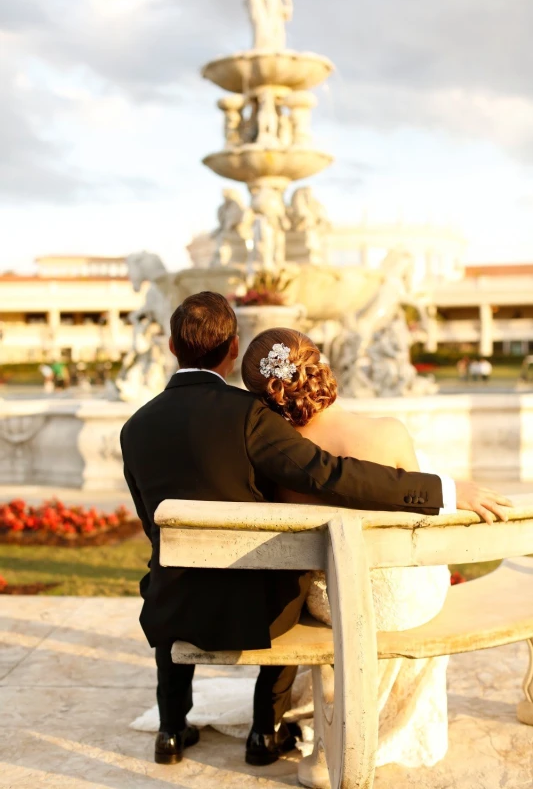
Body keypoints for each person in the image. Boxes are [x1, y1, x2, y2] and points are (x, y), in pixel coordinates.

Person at [120, 292, 511, 769]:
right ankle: (265, 734)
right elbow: (331, 473)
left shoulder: (134, 428)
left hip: (175, 606)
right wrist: (442, 491)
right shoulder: (249, 415)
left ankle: (171, 731)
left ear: (169, 346)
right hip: (259, 614)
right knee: (286, 579)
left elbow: (150, 523)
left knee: (165, 581)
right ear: (231, 348)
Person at [242, 328, 455, 766]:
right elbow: (417, 526)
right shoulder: (389, 433)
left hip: (332, 603)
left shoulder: (280, 462)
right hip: (407, 600)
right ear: (321, 366)